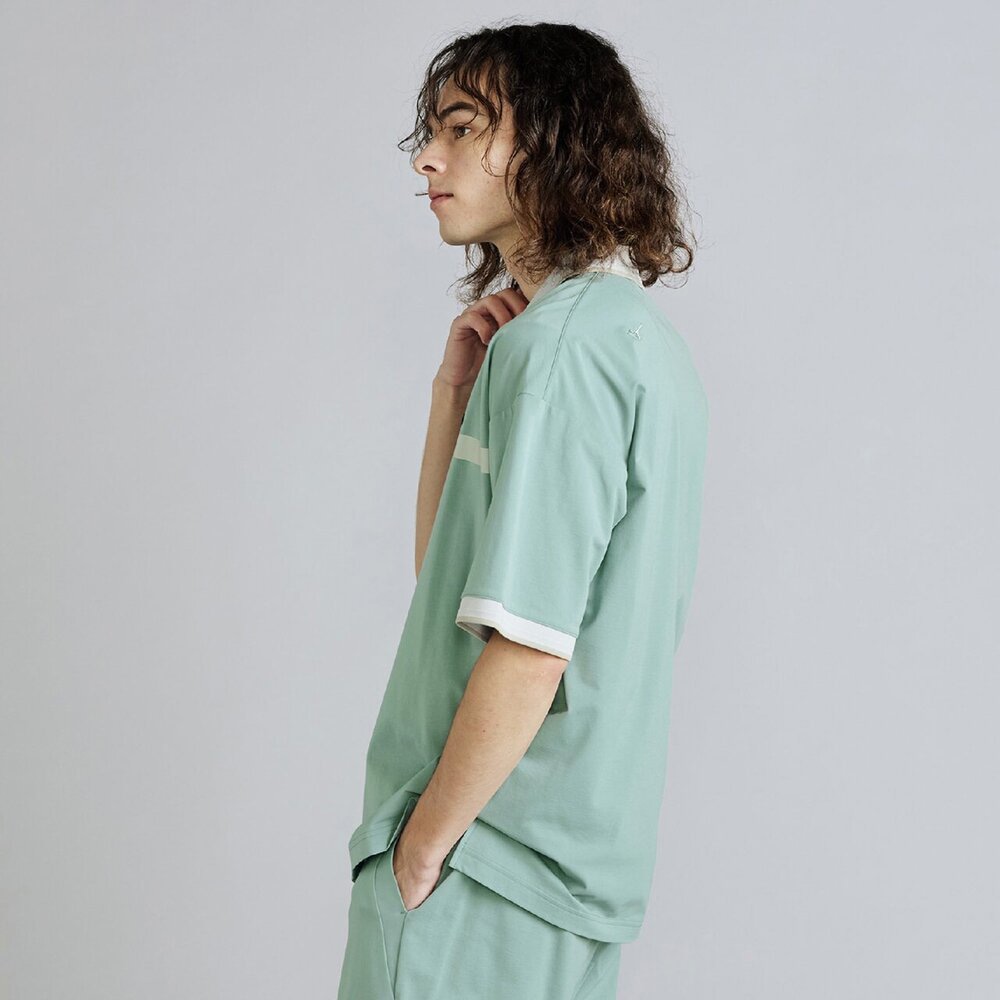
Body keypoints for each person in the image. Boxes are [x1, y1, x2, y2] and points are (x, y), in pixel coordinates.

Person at [337, 20, 708, 1000]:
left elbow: (532, 646)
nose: (427, 158)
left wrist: (422, 847)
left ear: (552, 138)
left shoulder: (561, 350)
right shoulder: (635, 342)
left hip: (485, 863)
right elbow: (453, 589)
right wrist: (452, 397)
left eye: (462, 128)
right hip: (560, 870)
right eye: (431, 132)